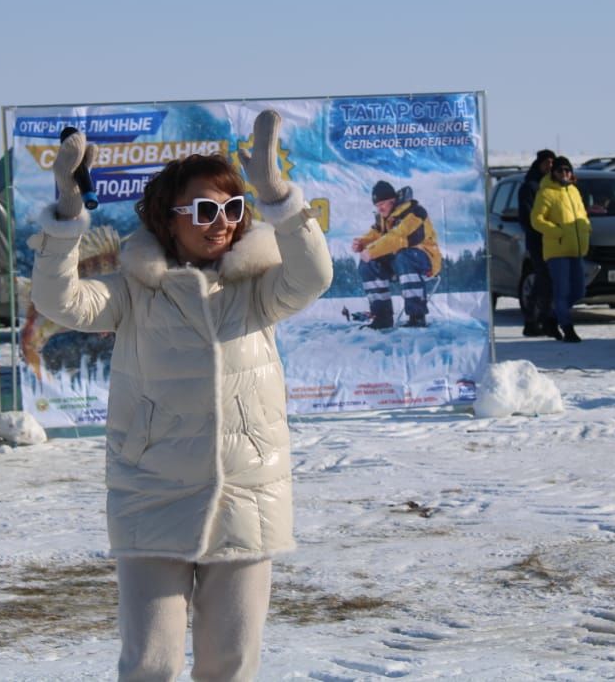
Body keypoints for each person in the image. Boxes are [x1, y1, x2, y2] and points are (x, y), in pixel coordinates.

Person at [31, 110, 332, 681]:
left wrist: (277, 195)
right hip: (151, 497)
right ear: (169, 220)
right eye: (204, 209)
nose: (220, 223)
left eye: (232, 209)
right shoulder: (134, 293)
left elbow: (314, 275)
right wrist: (69, 214)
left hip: (246, 500)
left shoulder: (257, 290)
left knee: (231, 665)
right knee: (151, 664)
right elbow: (59, 300)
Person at [350, 179, 442, 329]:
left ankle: (417, 317)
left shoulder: (415, 213)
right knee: (368, 264)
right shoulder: (385, 218)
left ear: (392, 201)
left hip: (425, 260)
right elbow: (376, 235)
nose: (379, 209)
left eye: (381, 205)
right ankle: (382, 318)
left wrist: (372, 251)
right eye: (377, 206)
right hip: (398, 262)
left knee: (404, 255)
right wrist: (363, 243)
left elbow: (397, 238)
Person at [530, 156, 591, 342]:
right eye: (560, 170)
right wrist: (556, 232)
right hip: (557, 250)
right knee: (562, 291)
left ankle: (552, 318)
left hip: (576, 249)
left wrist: (586, 227)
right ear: (553, 173)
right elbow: (536, 219)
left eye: (567, 170)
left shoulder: (573, 191)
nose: (564, 174)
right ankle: (567, 328)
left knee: (579, 291)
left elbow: (582, 214)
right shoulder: (546, 193)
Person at [518, 149, 556, 337]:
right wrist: (542, 230)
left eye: (552, 163)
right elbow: (527, 216)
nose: (549, 166)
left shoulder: (551, 185)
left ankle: (544, 319)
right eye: (546, 163)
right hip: (538, 241)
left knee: (548, 282)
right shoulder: (530, 186)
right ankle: (532, 320)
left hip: (555, 241)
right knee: (542, 279)